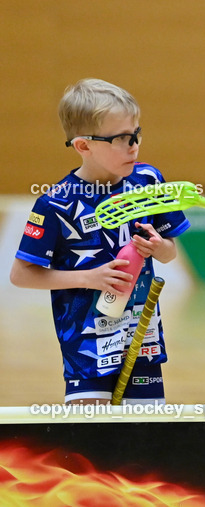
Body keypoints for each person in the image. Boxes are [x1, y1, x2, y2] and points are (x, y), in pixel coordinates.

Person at [11, 79, 190, 404]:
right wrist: (90, 278)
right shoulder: (57, 203)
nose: (133, 145)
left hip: (141, 336)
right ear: (83, 146)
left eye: (136, 133)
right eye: (121, 139)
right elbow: (21, 275)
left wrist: (158, 247)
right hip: (86, 345)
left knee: (144, 443)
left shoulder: (149, 181)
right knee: (93, 447)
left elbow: (169, 252)